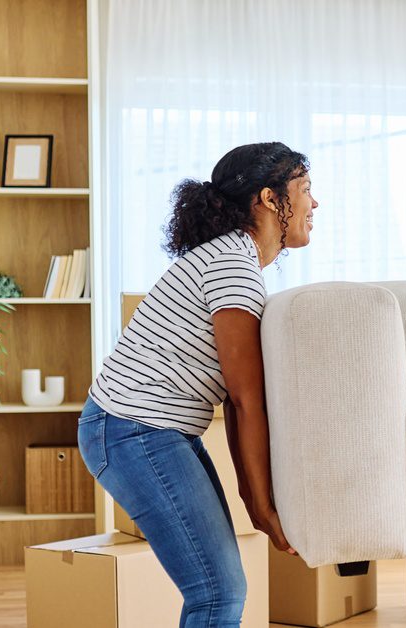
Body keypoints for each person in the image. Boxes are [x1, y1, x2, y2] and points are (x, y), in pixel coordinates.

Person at [77, 142, 318, 627]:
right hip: (133, 430)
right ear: (270, 199)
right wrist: (262, 508)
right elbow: (248, 401)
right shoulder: (233, 267)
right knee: (217, 591)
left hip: (142, 430)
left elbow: (234, 400)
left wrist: (257, 502)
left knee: (220, 589)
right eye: (307, 190)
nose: (316, 204)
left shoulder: (231, 260)